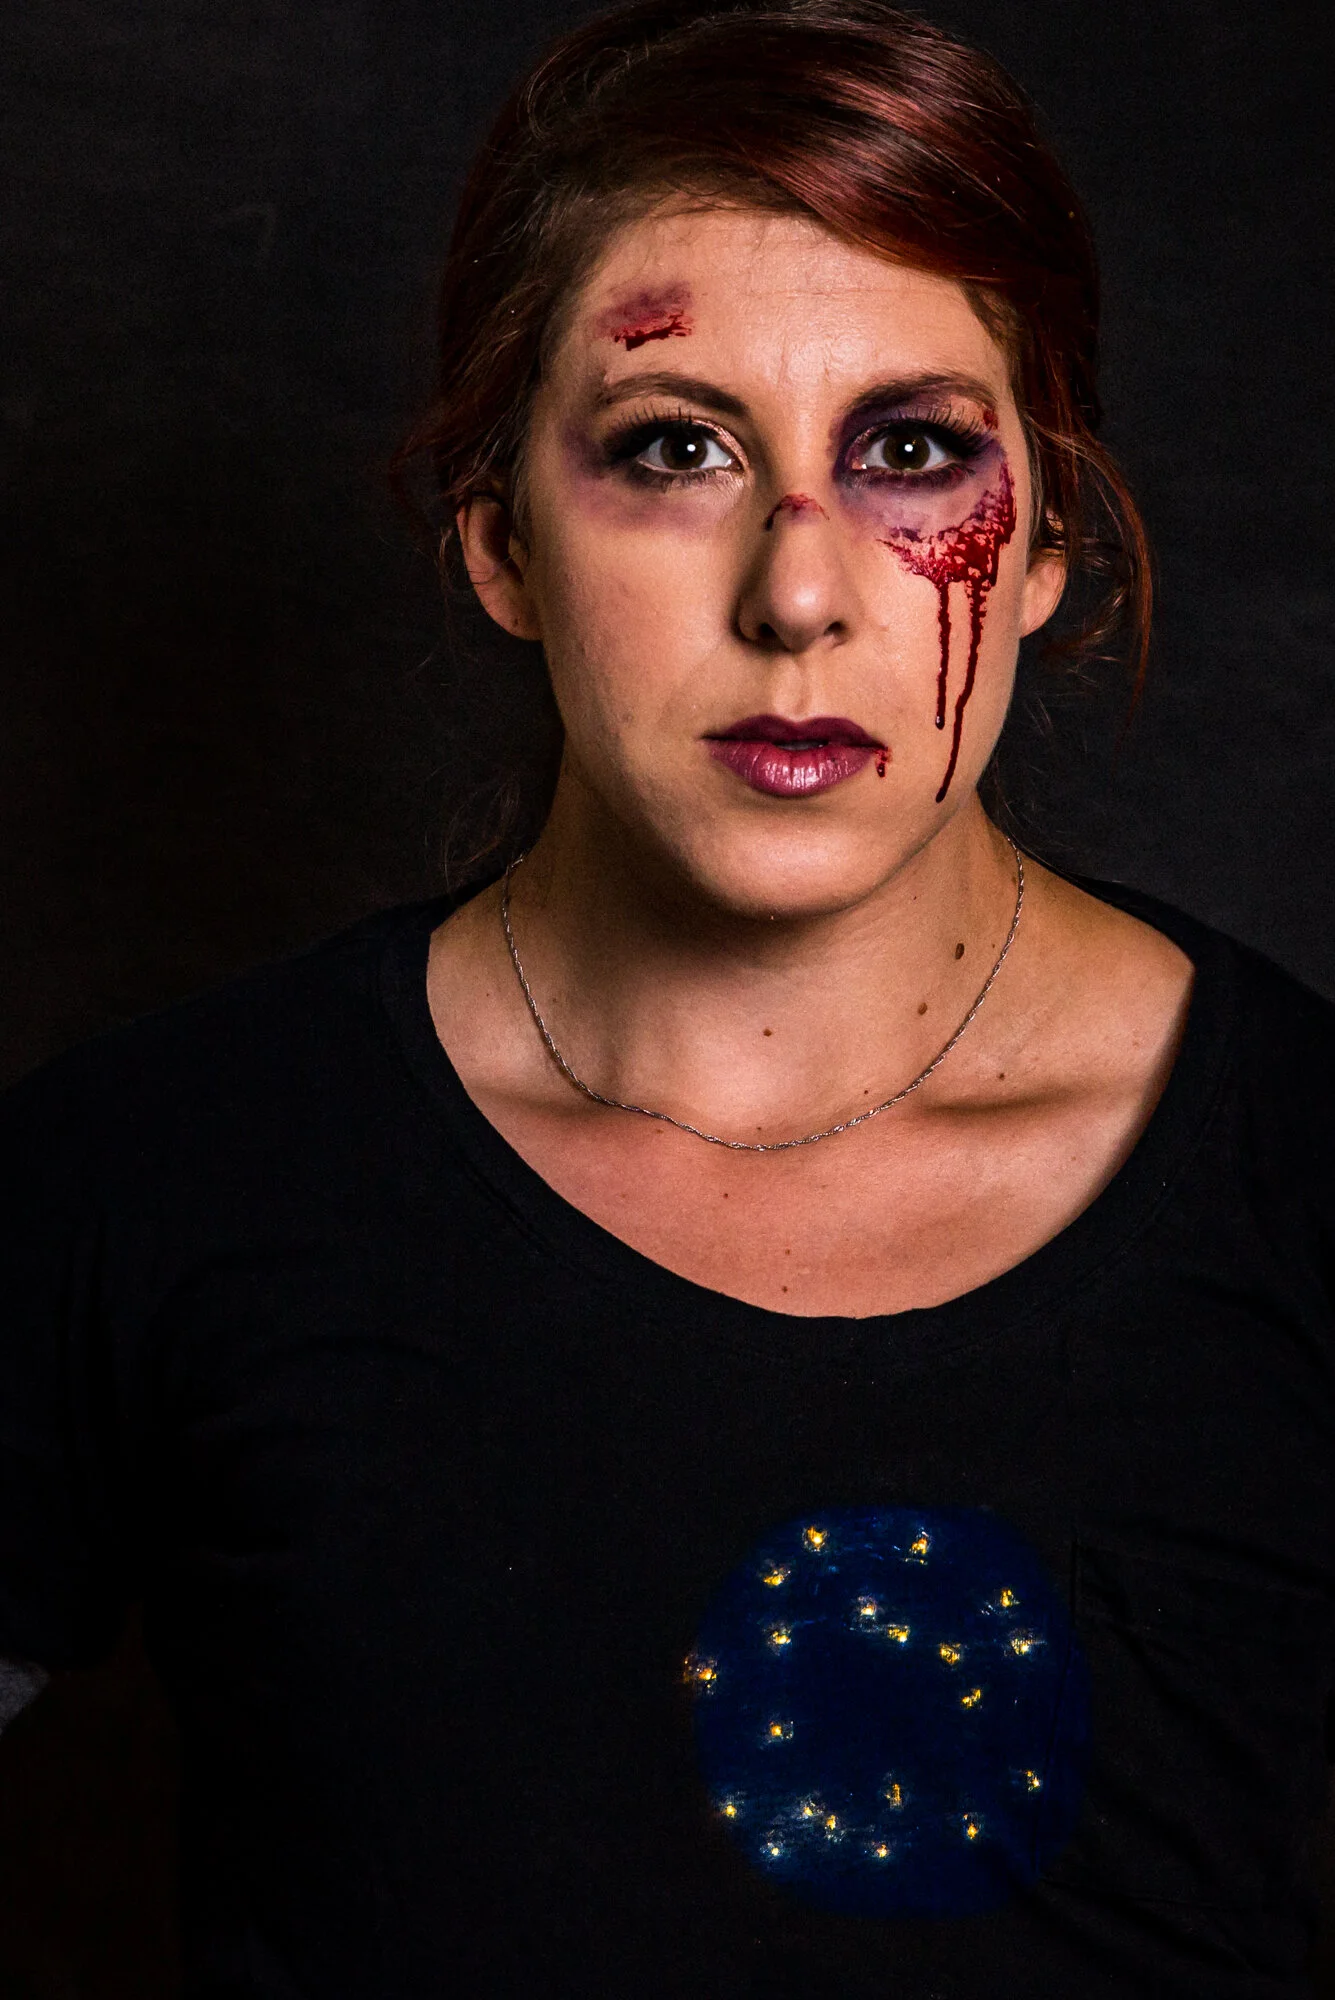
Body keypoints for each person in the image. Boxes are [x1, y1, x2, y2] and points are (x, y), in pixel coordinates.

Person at [2, 2, 1332, 1993]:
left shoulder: (1298, 1178)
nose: (797, 592)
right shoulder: (151, 1179)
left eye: (911, 452)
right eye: (674, 449)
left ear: (1047, 539)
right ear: (498, 541)